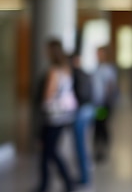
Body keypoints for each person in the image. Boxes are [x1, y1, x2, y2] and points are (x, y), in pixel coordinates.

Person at [34, 39, 77, 192]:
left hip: (53, 116)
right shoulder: (66, 69)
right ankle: (48, 184)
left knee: (49, 150)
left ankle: (66, 180)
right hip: (64, 115)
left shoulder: (53, 71)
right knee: (47, 151)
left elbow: (48, 94)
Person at [69, 52, 95, 186]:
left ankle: (84, 177)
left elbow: (78, 95)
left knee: (79, 145)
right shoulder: (85, 73)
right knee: (84, 143)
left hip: (81, 111)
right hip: (89, 109)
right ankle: (86, 172)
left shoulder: (75, 75)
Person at [91, 46, 118, 162]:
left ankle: (102, 150)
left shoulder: (108, 69)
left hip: (103, 104)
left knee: (101, 125)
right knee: (98, 126)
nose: (97, 56)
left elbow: (111, 87)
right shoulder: (97, 68)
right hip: (96, 103)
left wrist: (108, 103)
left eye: (100, 54)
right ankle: (98, 149)